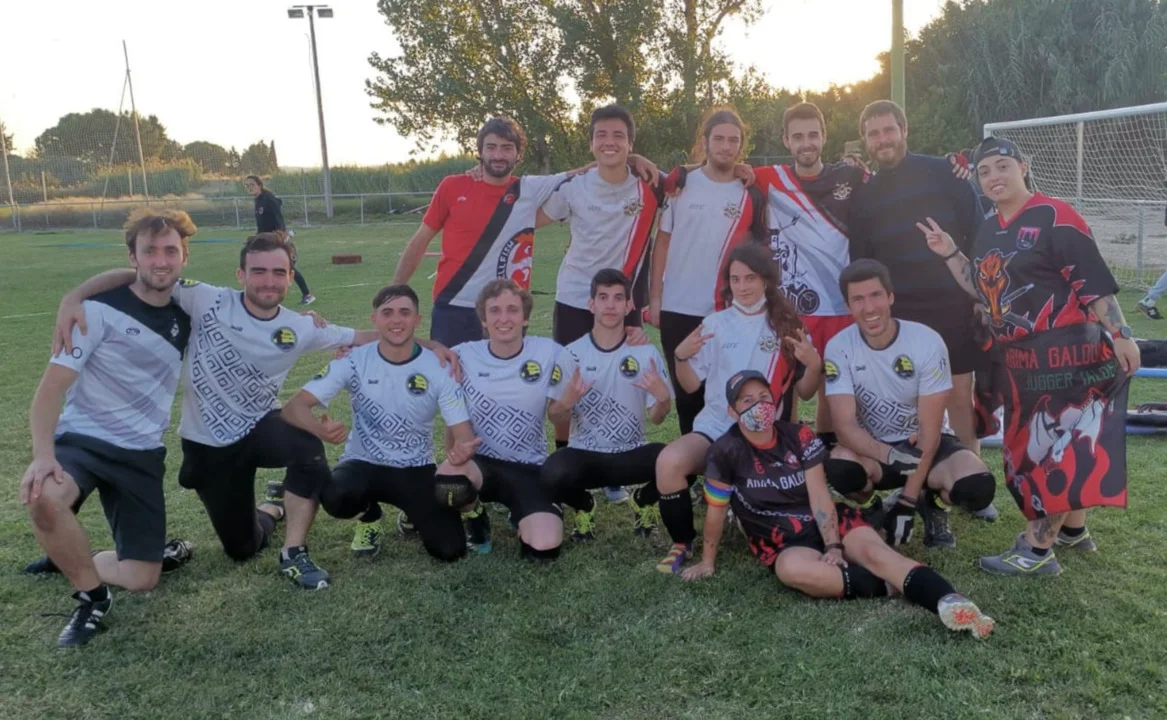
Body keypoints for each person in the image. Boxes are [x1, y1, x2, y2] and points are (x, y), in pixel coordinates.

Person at [51, 234, 432, 589]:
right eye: (259, 271)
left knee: (306, 444)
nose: (269, 281)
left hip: (259, 428)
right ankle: (273, 507)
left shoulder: (299, 326)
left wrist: (434, 348)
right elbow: (144, 276)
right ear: (241, 275)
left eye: (279, 272)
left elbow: (368, 336)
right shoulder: (205, 299)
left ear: (291, 277)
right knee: (243, 548)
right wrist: (74, 296)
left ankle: (294, 553)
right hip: (208, 447)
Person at [923, 135, 1140, 576]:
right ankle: (1073, 529)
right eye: (984, 171)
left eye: (1002, 166)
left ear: (1023, 167)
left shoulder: (1056, 215)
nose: (993, 177)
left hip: (1067, 352)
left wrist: (1121, 333)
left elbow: (1092, 281)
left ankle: (1037, 551)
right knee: (1041, 444)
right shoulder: (990, 227)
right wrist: (950, 253)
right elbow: (982, 287)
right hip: (1021, 359)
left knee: (1055, 447)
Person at [679, 371, 995, 639]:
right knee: (793, 571)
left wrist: (833, 546)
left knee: (878, 555)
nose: (758, 405)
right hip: (782, 541)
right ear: (732, 411)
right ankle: (891, 584)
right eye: (747, 401)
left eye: (764, 396)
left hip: (828, 522)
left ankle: (951, 602)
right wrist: (707, 561)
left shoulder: (797, 435)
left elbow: (819, 495)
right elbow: (716, 511)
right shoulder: (724, 451)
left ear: (775, 401)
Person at [21, 209, 196, 647]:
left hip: (141, 454)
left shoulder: (188, 311)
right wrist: (43, 456)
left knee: (142, 578)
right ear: (132, 257)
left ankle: (70, 556)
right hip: (83, 442)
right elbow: (49, 392)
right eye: (149, 251)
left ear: (184, 257)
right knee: (43, 496)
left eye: (170, 251)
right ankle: (92, 597)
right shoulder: (96, 313)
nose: (160, 260)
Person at [653, 243, 821, 574]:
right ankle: (683, 542)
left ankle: (740, 508)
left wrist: (813, 365)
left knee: (765, 523)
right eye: (735, 279)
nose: (742, 287)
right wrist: (680, 357)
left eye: (750, 278)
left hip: (765, 438)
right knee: (669, 462)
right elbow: (690, 385)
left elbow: (805, 390)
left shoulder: (788, 327)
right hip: (717, 427)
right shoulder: (714, 323)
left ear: (767, 280)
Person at [281, 284, 480, 563]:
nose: (396, 320)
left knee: (450, 550)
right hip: (363, 462)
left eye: (404, 312)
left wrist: (462, 450)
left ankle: (413, 511)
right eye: (387, 312)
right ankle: (369, 516)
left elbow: (463, 433)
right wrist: (319, 430)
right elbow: (293, 408)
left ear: (417, 319)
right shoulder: (353, 360)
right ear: (374, 319)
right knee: (337, 497)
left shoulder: (438, 367)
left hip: (415, 467)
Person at [824, 260, 998, 549]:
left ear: (891, 297)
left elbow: (929, 431)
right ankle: (872, 506)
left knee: (977, 486)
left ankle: (932, 504)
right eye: (858, 299)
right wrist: (890, 455)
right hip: (875, 451)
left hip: (926, 445)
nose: (869, 307)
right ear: (848, 305)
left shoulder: (926, 341)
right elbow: (844, 427)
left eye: (876, 295)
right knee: (841, 468)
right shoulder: (838, 346)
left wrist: (907, 502)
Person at [539, 104, 663, 503]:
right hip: (575, 297)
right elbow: (532, 216)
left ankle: (612, 466)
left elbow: (699, 175)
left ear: (631, 144)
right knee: (569, 383)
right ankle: (566, 464)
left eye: (618, 136)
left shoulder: (650, 185)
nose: (609, 142)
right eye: (601, 135)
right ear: (591, 143)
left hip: (621, 302)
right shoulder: (575, 187)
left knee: (617, 381)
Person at [849, 100, 987, 462]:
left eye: (888, 130)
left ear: (904, 130)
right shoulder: (864, 197)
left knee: (959, 398)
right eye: (873, 134)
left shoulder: (945, 173)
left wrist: (979, 296)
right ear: (865, 141)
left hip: (952, 307)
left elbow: (979, 235)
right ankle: (918, 477)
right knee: (908, 401)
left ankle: (971, 474)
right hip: (900, 314)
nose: (883, 139)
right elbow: (862, 262)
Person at [392, 117, 572, 348]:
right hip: (454, 306)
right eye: (491, 147)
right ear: (480, 152)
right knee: (451, 370)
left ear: (518, 155)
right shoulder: (452, 186)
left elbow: (582, 175)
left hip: (506, 309)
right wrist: (396, 290)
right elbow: (421, 240)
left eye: (507, 148)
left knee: (506, 372)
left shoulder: (528, 192)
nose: (498, 155)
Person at [748, 102, 870, 441]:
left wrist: (954, 167)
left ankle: (830, 452)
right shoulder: (769, 178)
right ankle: (786, 451)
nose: (807, 143)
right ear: (786, 140)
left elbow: (891, 180)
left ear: (824, 137)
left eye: (813, 135)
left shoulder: (850, 176)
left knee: (834, 386)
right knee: (787, 384)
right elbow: (716, 170)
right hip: (792, 306)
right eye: (798, 136)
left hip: (840, 305)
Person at [647, 108, 766, 453]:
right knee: (687, 394)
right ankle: (696, 465)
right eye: (719, 139)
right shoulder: (680, 185)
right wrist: (655, 298)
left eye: (733, 140)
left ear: (741, 146)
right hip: (679, 306)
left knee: (728, 389)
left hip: (726, 309)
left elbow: (757, 251)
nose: (726, 146)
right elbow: (662, 243)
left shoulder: (750, 193)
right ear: (705, 142)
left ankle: (735, 463)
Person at [433, 279, 572, 560]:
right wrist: (433, 345)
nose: (504, 318)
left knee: (544, 549)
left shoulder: (549, 352)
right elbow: (405, 348)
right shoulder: (462, 354)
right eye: (494, 310)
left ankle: (523, 513)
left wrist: (632, 335)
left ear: (525, 318)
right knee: (448, 482)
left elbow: (593, 349)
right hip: (481, 466)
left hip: (530, 468)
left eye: (512, 310)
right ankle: (475, 516)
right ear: (483, 320)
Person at [542, 269, 674, 541]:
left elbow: (657, 418)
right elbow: (554, 416)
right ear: (592, 304)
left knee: (682, 463)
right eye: (603, 297)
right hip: (586, 455)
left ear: (628, 305)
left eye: (618, 298)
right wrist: (567, 401)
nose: (610, 305)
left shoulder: (645, 352)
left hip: (631, 453)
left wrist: (663, 399)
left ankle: (643, 500)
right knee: (550, 473)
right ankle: (584, 506)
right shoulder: (572, 354)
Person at [244, 175, 313, 305]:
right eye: (247, 186)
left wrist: (279, 236)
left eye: (252, 185)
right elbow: (263, 226)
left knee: (288, 267)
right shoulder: (258, 200)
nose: (249, 188)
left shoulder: (268, 198)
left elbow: (278, 219)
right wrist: (255, 238)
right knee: (265, 266)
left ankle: (307, 294)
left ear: (259, 185)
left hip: (276, 239)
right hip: (266, 240)